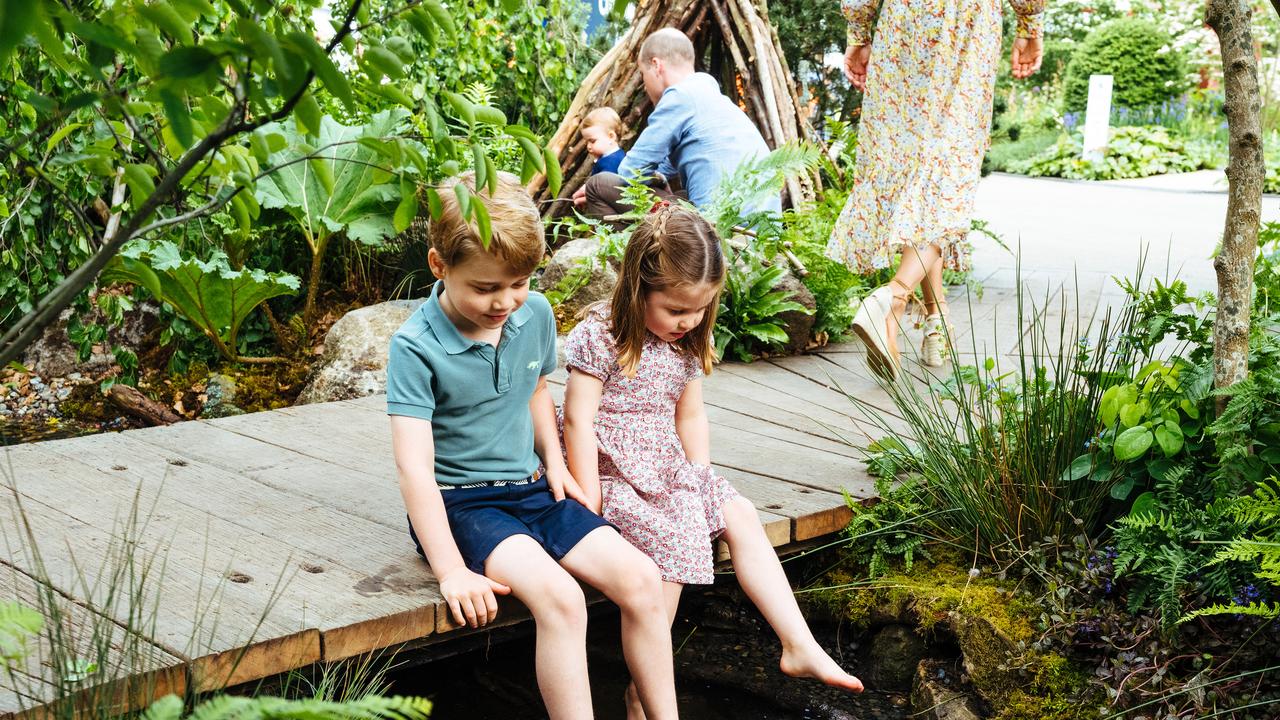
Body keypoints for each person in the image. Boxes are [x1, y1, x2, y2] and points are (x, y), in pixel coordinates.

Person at [386, 172, 679, 720]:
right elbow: (414, 471)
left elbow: (536, 388)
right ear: (438, 266)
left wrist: (555, 461)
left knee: (641, 578)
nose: (505, 302)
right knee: (562, 599)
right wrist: (451, 569)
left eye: (518, 282)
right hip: (462, 504)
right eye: (485, 288)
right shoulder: (416, 347)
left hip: (534, 489)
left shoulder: (534, 313)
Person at [560, 204, 865, 719]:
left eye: (699, 309)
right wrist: (587, 500)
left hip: (666, 467)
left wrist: (698, 475)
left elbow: (691, 418)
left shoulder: (687, 341)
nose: (689, 321)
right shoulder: (601, 335)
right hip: (613, 472)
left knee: (739, 514)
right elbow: (577, 421)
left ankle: (798, 644)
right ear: (638, 290)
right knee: (676, 540)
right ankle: (649, 696)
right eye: (676, 310)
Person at [829, 0, 1044, 379]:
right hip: (968, 25)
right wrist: (1029, 22)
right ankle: (893, 298)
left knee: (921, 174)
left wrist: (860, 32)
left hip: (905, 25)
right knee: (946, 174)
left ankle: (935, 317)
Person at [572, 28, 779, 220]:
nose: (645, 87)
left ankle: (633, 259)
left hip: (718, 228)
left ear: (656, 65)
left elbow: (631, 171)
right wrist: (659, 178)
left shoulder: (679, 97)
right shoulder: (707, 94)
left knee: (597, 185)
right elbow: (666, 166)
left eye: (643, 75)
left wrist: (593, 189)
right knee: (679, 195)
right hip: (756, 226)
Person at [583, 107, 627, 175]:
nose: (588, 146)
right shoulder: (610, 157)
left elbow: (603, 184)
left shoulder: (612, 162)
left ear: (611, 137)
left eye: (592, 141)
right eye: (586, 142)